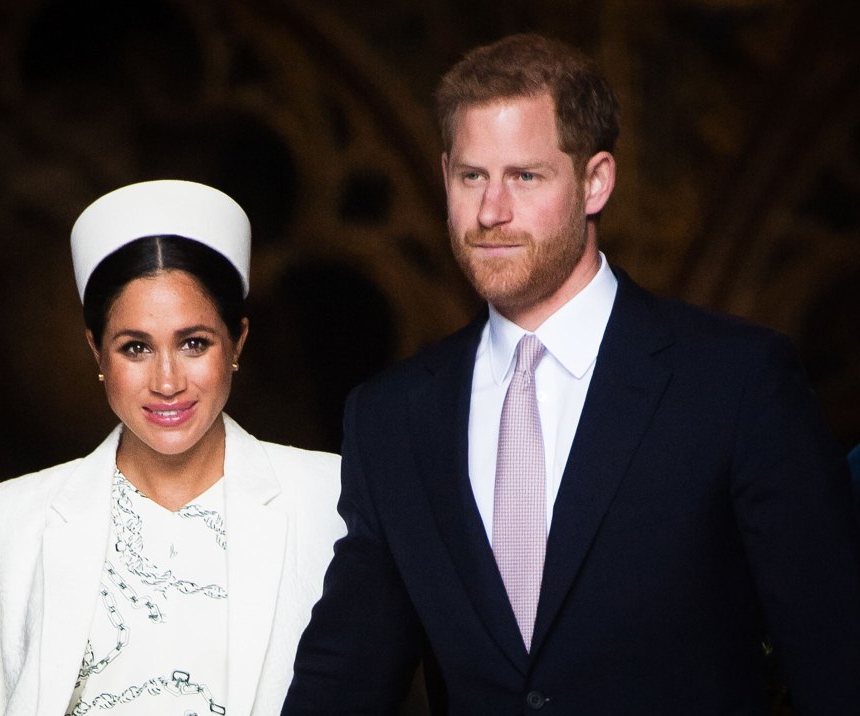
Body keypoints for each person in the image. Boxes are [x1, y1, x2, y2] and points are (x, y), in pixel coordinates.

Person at [282, 33, 860, 714]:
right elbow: (346, 676)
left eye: (525, 177)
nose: (491, 211)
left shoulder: (736, 383)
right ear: (445, 178)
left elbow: (836, 663)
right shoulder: (391, 418)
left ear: (595, 181)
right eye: (472, 177)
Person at [0, 179, 345, 716]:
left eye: (193, 343)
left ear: (238, 342)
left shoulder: (331, 498)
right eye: (135, 348)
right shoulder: (12, 520)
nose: (168, 381)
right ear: (97, 352)